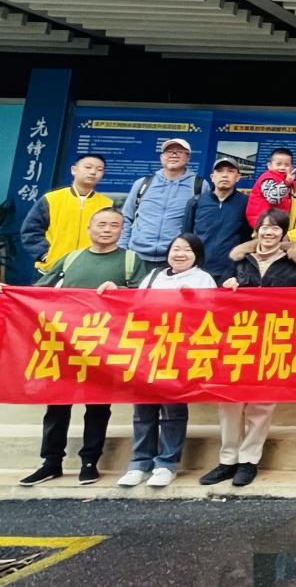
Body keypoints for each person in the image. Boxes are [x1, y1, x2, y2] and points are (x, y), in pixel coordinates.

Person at [16, 207, 144, 487]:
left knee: (98, 407)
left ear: (122, 230)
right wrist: (9, 293)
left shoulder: (130, 260)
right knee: (56, 406)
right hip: (65, 345)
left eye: (114, 225)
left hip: (105, 347)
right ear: (89, 228)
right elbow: (40, 291)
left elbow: (144, 298)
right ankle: (51, 462)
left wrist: (121, 292)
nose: (107, 229)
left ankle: (90, 462)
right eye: (101, 224)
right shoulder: (71, 258)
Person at [199, 209, 296, 489]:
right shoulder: (238, 259)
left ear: (283, 233)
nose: (269, 232)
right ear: (257, 230)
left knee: (261, 404)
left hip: (273, 340)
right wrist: (227, 286)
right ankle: (227, 460)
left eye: (275, 228)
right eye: (265, 227)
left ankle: (249, 460)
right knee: (229, 401)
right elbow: (218, 299)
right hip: (237, 338)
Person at [114, 233, 217, 488]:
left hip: (179, 352)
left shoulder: (203, 279)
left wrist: (193, 300)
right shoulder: (153, 276)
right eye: (175, 249)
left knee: (172, 410)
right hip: (148, 349)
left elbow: (212, 316)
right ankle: (140, 463)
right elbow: (135, 306)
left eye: (187, 250)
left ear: (197, 255)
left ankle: (166, 463)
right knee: (143, 410)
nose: (180, 254)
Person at [121, 137, 210, 272]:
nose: (173, 155)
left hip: (176, 259)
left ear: (188, 158)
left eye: (179, 151)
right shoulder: (143, 184)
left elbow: (203, 225)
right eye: (169, 151)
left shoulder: (199, 185)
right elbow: (126, 218)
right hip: (136, 256)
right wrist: (122, 248)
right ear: (161, 157)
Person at [20, 153, 112, 275]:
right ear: (74, 170)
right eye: (88, 167)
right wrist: (46, 255)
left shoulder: (107, 204)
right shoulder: (51, 199)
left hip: (90, 272)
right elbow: (30, 231)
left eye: (99, 169)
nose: (93, 172)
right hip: (51, 271)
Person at [183, 158, 252, 283]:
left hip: (230, 272)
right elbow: (186, 236)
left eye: (230, 171)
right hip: (198, 270)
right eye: (220, 171)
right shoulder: (196, 202)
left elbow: (247, 239)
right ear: (212, 177)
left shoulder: (246, 203)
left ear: (237, 177)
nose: (225, 175)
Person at [246, 147, 296, 225]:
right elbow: (273, 198)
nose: (282, 167)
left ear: (292, 167)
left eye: (286, 165)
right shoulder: (267, 178)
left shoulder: (289, 180)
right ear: (269, 165)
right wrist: (286, 183)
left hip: (277, 221)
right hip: (263, 222)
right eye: (278, 164)